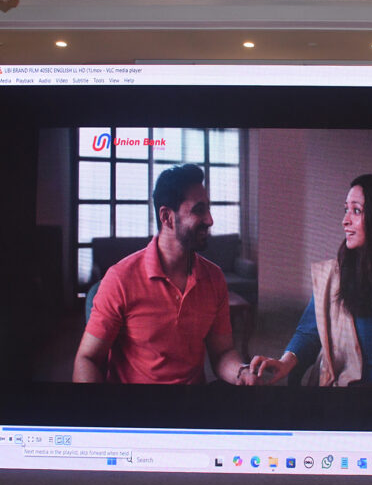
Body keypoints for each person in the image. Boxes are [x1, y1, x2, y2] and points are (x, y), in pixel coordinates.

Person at [250, 174, 372, 387]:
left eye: (356, 211)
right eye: (346, 209)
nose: (345, 220)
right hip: (343, 392)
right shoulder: (333, 276)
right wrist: (285, 362)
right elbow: (309, 333)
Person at [73, 164, 260, 386]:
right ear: (167, 217)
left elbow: (222, 353)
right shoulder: (120, 279)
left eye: (208, 209)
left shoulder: (214, 278)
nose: (210, 220)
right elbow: (87, 359)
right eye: (199, 210)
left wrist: (242, 373)